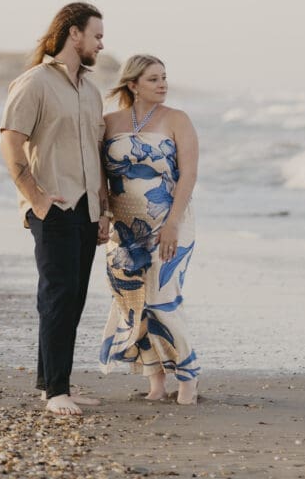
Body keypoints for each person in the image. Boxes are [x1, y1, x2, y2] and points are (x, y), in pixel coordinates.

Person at [0, 1, 110, 416]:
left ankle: (52, 383)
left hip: (87, 208)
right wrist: (37, 198)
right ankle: (56, 393)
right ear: (73, 33)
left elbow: (96, 152)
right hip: (53, 205)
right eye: (96, 35)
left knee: (74, 298)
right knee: (57, 296)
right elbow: (11, 142)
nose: (101, 44)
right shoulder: (34, 83)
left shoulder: (91, 91)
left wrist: (104, 208)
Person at [99, 54, 200, 404]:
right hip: (123, 229)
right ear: (133, 85)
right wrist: (103, 215)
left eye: (164, 77)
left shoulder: (177, 119)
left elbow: (188, 174)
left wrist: (172, 224)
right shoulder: (108, 122)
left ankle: (188, 377)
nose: (163, 84)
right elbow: (100, 177)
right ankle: (155, 382)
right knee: (132, 303)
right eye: (154, 79)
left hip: (169, 223)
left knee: (161, 300)